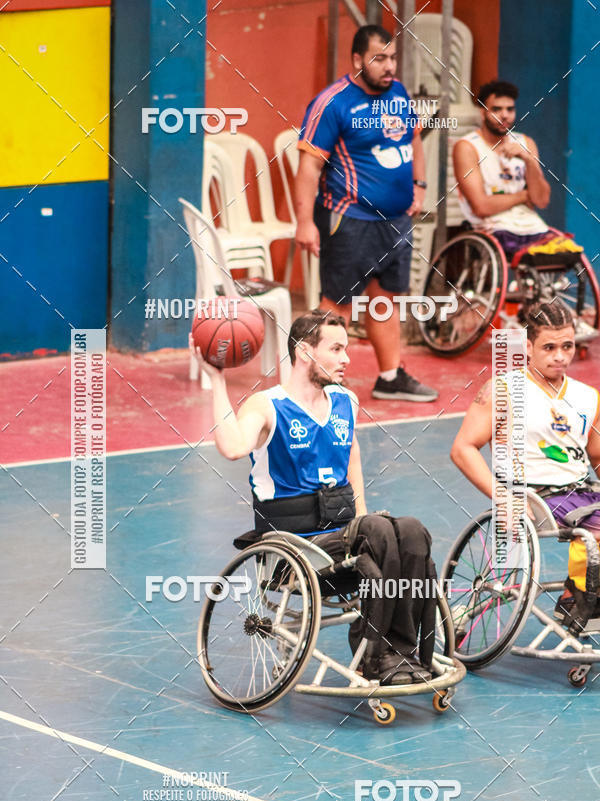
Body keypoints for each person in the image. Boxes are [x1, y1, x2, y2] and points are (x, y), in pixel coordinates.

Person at [199, 310, 437, 683]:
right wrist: (217, 380)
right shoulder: (267, 405)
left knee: (411, 530)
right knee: (378, 532)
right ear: (305, 352)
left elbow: (351, 455)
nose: (346, 359)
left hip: (342, 539)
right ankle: (377, 656)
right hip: (294, 547)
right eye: (337, 348)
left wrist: (362, 517)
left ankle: (400, 651)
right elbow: (232, 447)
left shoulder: (346, 402)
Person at [294, 24, 438, 403]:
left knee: (385, 299)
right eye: (379, 59)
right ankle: (320, 382)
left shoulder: (399, 93)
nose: (389, 66)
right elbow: (308, 167)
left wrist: (420, 186)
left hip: (395, 222)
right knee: (337, 304)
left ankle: (389, 377)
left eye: (392, 58)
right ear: (357, 60)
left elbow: (414, 139)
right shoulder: (334, 102)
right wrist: (305, 222)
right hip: (350, 219)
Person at [450, 299, 600, 631]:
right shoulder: (502, 390)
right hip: (535, 497)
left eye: (567, 346)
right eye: (549, 347)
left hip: (583, 494)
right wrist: (502, 496)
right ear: (528, 347)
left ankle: (586, 594)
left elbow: (597, 457)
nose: (560, 356)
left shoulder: (588, 396)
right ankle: (576, 597)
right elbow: (463, 449)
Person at [453, 80, 552, 259]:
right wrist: (523, 196)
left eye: (510, 109)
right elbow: (481, 207)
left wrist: (528, 160)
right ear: (483, 113)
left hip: (532, 226)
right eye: (496, 109)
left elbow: (542, 200)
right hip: (493, 227)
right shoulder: (467, 147)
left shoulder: (526, 143)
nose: (504, 115)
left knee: (567, 252)